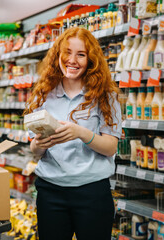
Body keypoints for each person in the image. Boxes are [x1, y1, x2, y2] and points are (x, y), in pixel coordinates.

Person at [24, 27, 122, 240]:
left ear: (91, 59)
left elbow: (111, 147)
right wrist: (42, 142)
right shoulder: (42, 95)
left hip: (92, 192)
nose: (72, 60)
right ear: (58, 55)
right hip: (51, 192)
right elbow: (34, 150)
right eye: (67, 52)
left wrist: (81, 133)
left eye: (81, 54)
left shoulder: (106, 96)